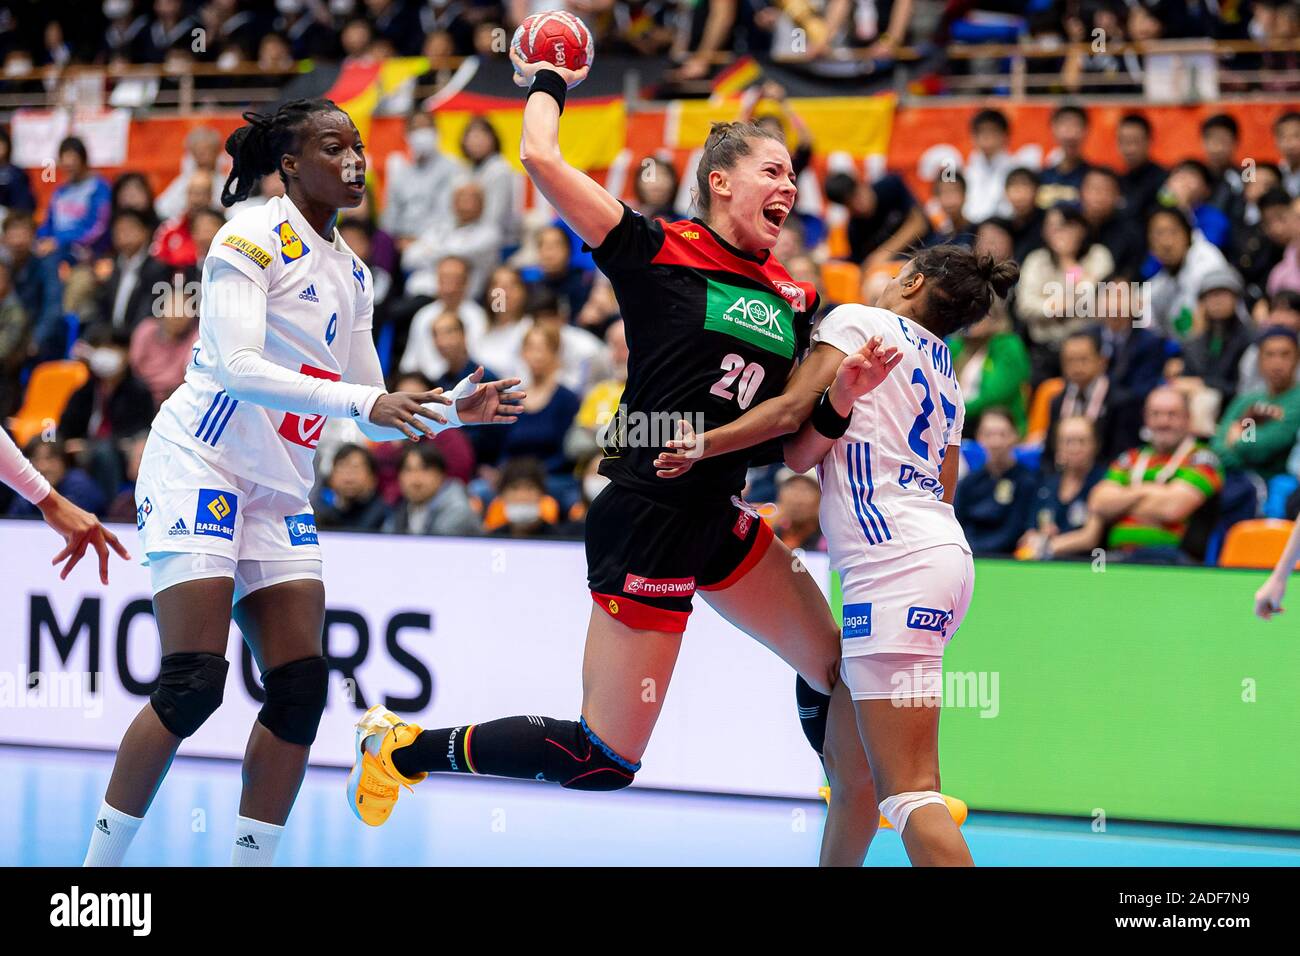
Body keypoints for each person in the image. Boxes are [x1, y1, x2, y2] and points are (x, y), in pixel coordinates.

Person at [346, 60, 853, 837]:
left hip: (718, 515)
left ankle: (850, 797)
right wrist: (549, 76)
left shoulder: (796, 297)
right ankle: (403, 749)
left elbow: (792, 437)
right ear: (720, 181)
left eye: (793, 175)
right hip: (648, 513)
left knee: (836, 671)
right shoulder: (657, 248)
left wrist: (844, 399)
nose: (789, 187)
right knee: (602, 760)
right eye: (771, 171)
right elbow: (541, 159)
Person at [81, 98, 523, 869]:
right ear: (290, 164)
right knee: (193, 684)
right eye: (332, 146)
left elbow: (375, 408)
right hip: (201, 464)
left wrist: (453, 410)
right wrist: (367, 401)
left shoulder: (353, 271)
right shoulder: (247, 236)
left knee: (300, 686)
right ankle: (93, 878)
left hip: (278, 486)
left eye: (357, 145)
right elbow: (240, 367)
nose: (354, 159)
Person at [656, 244, 1018, 866]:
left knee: (909, 792)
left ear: (913, 281)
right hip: (941, 557)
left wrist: (702, 444)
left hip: (892, 567)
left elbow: (793, 419)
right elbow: (945, 486)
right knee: (853, 781)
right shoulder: (947, 371)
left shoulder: (859, 322)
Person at [1085, 386, 1224, 564]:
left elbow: (1172, 508)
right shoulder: (1129, 458)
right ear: (1146, 418)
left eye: (1172, 414)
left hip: (1172, 560)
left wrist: (1124, 500)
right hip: (1116, 556)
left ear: (1188, 418)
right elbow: (1099, 503)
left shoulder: (1202, 458)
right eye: (1156, 414)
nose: (1163, 422)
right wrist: (1151, 493)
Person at [0, 429, 128, 582]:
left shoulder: (79, 483)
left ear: (64, 461)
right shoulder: (23, 495)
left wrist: (49, 502)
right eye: (36, 458)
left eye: (50, 459)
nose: (43, 466)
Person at [1212, 327, 1300, 481]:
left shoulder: (1296, 399)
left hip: (1274, 484)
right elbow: (1218, 447)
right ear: (1259, 360)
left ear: (1297, 358)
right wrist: (1248, 427)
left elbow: (1270, 443)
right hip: (1234, 478)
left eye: (1285, 355)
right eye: (1270, 355)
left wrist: (1238, 436)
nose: (1277, 363)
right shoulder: (1247, 400)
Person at [1017, 415, 1107, 560]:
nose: (1075, 448)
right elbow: (1032, 530)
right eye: (1068, 442)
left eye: (1082, 441)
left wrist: (1049, 546)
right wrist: (1036, 536)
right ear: (1057, 447)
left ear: (1095, 445)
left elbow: (1090, 537)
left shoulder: (1103, 482)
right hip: (1047, 565)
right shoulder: (1046, 486)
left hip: (1090, 564)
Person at [954, 408, 1038, 556]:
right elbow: (956, 523)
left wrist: (978, 551)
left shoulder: (1027, 482)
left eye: (1002, 435)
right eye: (988, 435)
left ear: (1015, 436)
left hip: (1007, 559)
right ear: (978, 437)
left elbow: (1014, 530)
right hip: (968, 554)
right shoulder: (968, 482)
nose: (995, 442)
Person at [381, 443, 479, 536]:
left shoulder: (458, 511)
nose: (415, 480)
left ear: (441, 474)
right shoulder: (401, 507)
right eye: (408, 470)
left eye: (424, 469)